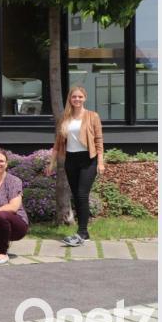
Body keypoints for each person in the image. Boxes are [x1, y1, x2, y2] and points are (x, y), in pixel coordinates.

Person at [46, 86, 105, 247]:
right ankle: (84, 233)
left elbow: (99, 141)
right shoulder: (65, 118)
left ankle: (81, 232)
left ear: (84, 98)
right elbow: (58, 143)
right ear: (70, 99)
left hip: (88, 159)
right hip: (71, 160)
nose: (77, 99)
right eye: (74, 97)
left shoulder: (93, 116)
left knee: (81, 194)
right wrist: (52, 163)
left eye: (80, 97)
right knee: (77, 195)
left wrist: (100, 162)